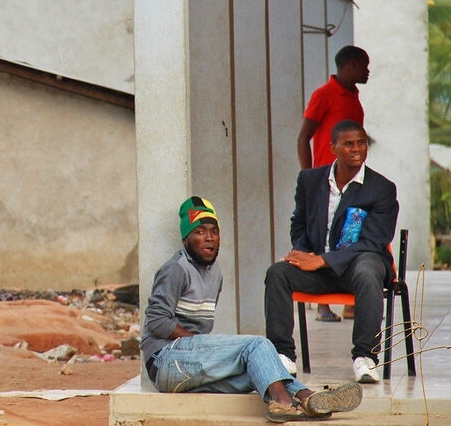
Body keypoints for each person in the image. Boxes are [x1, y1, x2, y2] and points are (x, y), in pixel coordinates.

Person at [142, 196, 362, 423]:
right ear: (186, 238)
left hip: (186, 368)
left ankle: (309, 398)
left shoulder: (214, 272)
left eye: (214, 231)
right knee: (258, 345)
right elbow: (157, 322)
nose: (209, 238)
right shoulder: (177, 269)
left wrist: (204, 349)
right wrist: (199, 345)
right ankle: (282, 404)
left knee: (257, 370)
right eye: (199, 231)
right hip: (166, 361)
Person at [265, 120, 399, 384]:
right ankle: (282, 355)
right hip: (319, 270)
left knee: (368, 269)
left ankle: (365, 357)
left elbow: (373, 241)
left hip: (358, 267)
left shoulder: (381, 189)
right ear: (333, 147)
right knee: (278, 273)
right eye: (348, 144)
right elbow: (299, 223)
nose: (356, 149)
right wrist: (301, 253)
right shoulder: (310, 180)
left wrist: (322, 260)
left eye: (361, 143)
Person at [297, 45, 370, 323]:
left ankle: (350, 300)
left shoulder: (354, 98)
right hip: (325, 180)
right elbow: (303, 137)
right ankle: (322, 305)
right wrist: (310, 179)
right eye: (364, 65)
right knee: (320, 236)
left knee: (350, 233)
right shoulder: (324, 94)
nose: (367, 71)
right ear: (350, 64)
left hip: (351, 180)